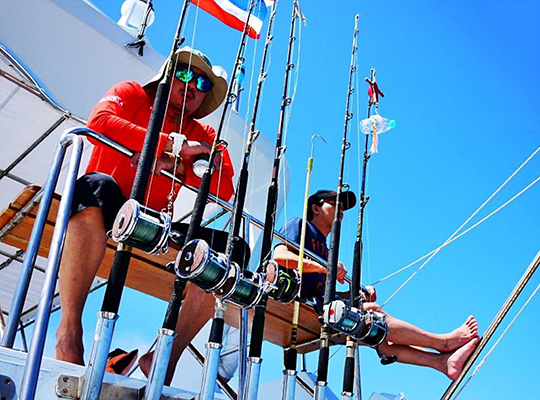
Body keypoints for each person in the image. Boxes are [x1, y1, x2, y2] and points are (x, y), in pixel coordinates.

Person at [54, 47, 241, 385]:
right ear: (168, 77)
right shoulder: (131, 92)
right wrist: (167, 145)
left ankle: (164, 360)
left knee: (231, 248)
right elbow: (99, 121)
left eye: (202, 82)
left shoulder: (207, 135)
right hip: (108, 208)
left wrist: (182, 165)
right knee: (94, 185)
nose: (192, 85)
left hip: (154, 224)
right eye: (184, 74)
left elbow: (225, 188)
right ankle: (69, 336)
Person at [273, 189, 480, 380]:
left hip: (321, 307)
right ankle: (443, 343)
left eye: (343, 206)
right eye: (335, 203)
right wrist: (326, 267)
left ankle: (442, 363)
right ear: (316, 208)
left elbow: (326, 292)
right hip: (298, 303)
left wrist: (354, 294)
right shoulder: (299, 225)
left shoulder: (328, 251)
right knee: (373, 314)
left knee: (378, 336)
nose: (341, 209)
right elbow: (280, 256)